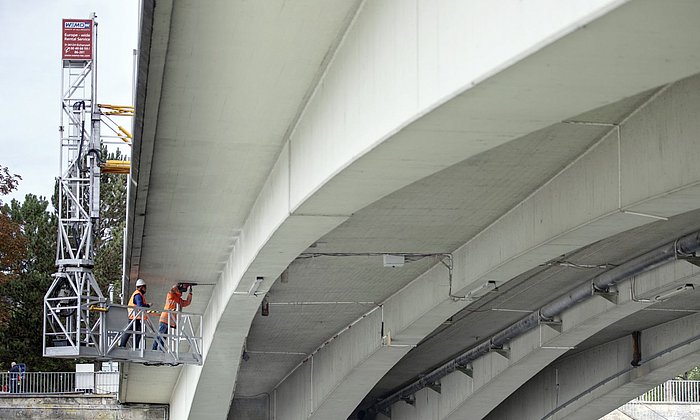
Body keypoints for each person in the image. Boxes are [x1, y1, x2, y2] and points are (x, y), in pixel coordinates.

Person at [153, 283, 193, 351]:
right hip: (165, 320)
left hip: (169, 322)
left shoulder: (179, 300)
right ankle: (154, 349)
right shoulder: (171, 295)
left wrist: (190, 293)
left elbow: (187, 302)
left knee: (163, 336)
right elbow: (171, 291)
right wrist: (177, 286)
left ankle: (160, 349)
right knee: (160, 335)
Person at [119, 279, 151, 348]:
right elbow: (140, 306)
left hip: (136, 317)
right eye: (145, 287)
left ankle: (135, 347)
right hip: (133, 317)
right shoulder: (137, 295)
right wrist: (148, 305)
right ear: (141, 287)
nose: (145, 289)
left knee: (138, 332)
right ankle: (122, 345)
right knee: (129, 331)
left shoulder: (138, 294)